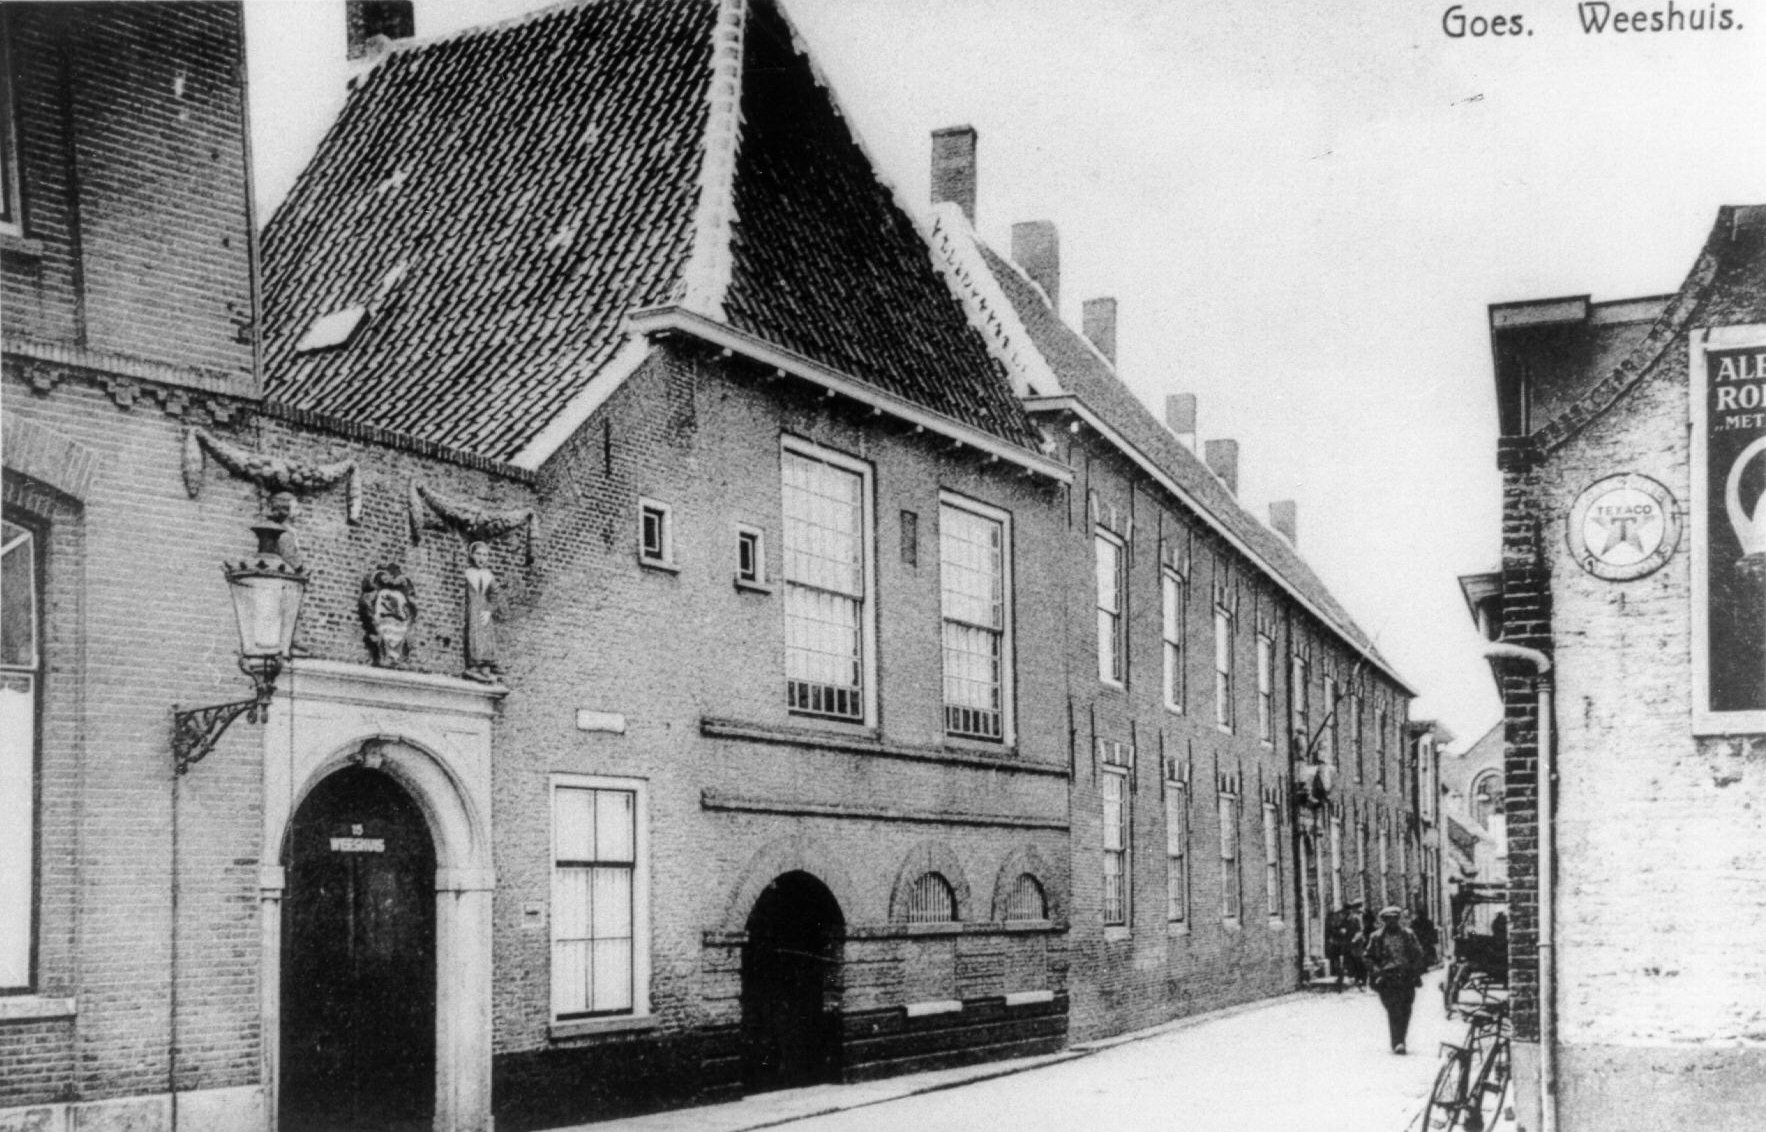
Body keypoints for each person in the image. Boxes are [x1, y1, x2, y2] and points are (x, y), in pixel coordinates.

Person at [1365, 905, 1426, 1054]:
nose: (1391, 922)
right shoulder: (1377, 937)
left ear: (1398, 920)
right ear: (1384, 921)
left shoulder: (1408, 935)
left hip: (1406, 976)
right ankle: (1397, 1041)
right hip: (1387, 978)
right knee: (1393, 1009)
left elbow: (1418, 953)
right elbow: (1368, 957)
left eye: (1394, 919)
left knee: (1405, 1009)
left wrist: (1415, 970)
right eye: (1388, 919)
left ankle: (1400, 1039)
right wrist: (1376, 971)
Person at [1325, 904, 1358, 990]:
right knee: (1339, 961)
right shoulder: (1340, 918)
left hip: (1341, 942)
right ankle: (1341, 976)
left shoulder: (1347, 918)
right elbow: (1333, 929)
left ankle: (1342, 976)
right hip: (1339, 942)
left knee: (1341, 960)